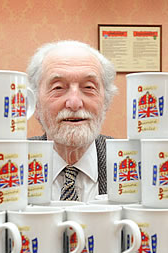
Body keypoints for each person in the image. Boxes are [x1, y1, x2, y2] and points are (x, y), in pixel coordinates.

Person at [27, 40, 118, 202]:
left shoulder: (138, 163)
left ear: (106, 102)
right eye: (58, 88)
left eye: (89, 87)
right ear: (35, 104)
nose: (75, 103)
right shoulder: (3, 162)